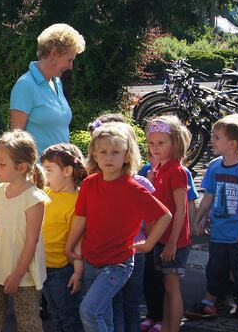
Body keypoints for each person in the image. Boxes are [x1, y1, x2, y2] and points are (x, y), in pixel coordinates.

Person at [65, 124, 171, 332]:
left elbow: (164, 215)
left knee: (89, 311)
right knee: (103, 313)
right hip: (91, 259)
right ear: (94, 155)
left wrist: (148, 245)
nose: (109, 157)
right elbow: (81, 218)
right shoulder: (89, 184)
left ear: (126, 156)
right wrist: (69, 247)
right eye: (103, 152)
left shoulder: (134, 188)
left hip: (118, 263)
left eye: (115, 152)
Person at [189, 117, 238, 330]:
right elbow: (209, 196)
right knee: (216, 269)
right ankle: (209, 303)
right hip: (219, 232)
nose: (212, 141)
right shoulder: (214, 166)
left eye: (216, 137)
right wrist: (199, 218)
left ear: (232, 144)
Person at [0, 130, 50, 332]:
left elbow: (32, 241)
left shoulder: (34, 198)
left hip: (24, 275)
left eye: (2, 164)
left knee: (28, 323)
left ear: (22, 167)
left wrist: (17, 274)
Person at [143, 116, 192, 332]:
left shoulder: (177, 171)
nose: (155, 147)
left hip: (174, 239)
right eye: (151, 143)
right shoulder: (158, 169)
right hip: (160, 236)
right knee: (165, 285)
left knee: (172, 286)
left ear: (175, 142)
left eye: (161, 143)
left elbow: (181, 209)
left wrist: (172, 242)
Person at [9, 23, 86, 153]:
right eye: (69, 60)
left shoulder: (57, 82)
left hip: (61, 165)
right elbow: (15, 141)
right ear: (53, 54)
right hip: (37, 165)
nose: (71, 66)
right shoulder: (25, 85)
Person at [40, 143, 87, 332]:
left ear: (67, 171)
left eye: (49, 170)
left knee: (69, 317)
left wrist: (78, 273)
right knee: (54, 314)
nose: (45, 175)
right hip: (43, 265)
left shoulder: (77, 202)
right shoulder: (46, 193)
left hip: (62, 271)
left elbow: (78, 242)